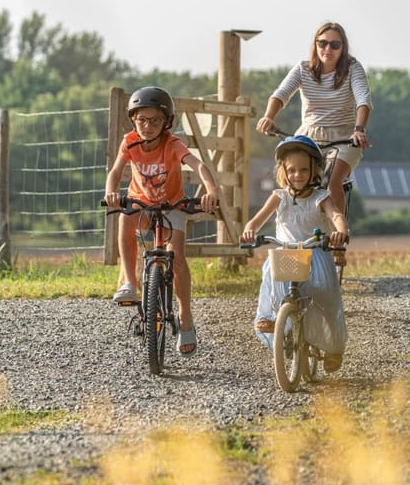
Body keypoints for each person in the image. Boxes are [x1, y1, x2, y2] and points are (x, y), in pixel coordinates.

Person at [104, 86, 219, 356]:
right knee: (125, 218)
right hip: (141, 203)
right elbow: (115, 172)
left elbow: (199, 165)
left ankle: (186, 318)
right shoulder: (129, 142)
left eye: (155, 120)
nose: (147, 126)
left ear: (166, 122)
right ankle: (130, 284)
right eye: (142, 119)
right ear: (133, 119)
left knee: (176, 257)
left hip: (171, 205)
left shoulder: (172, 144)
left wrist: (211, 191)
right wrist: (111, 192)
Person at [240, 135, 349, 373]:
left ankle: (332, 347)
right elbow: (257, 221)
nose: (297, 175)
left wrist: (340, 231)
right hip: (286, 253)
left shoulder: (321, 197)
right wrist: (249, 231)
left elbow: (335, 215)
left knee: (326, 297)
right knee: (270, 271)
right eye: (292, 170)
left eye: (303, 170)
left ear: (314, 171)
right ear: (283, 171)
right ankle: (272, 318)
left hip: (315, 254)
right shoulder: (279, 196)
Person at [255, 21, 373, 217]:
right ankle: (292, 228)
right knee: (293, 178)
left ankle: (337, 237)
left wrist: (359, 129)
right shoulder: (303, 68)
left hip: (344, 137)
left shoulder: (352, 68)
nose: (328, 49)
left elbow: (363, 99)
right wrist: (268, 116)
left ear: (343, 48)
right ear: (315, 44)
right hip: (309, 136)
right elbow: (281, 94)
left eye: (335, 45)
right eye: (323, 43)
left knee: (333, 181)